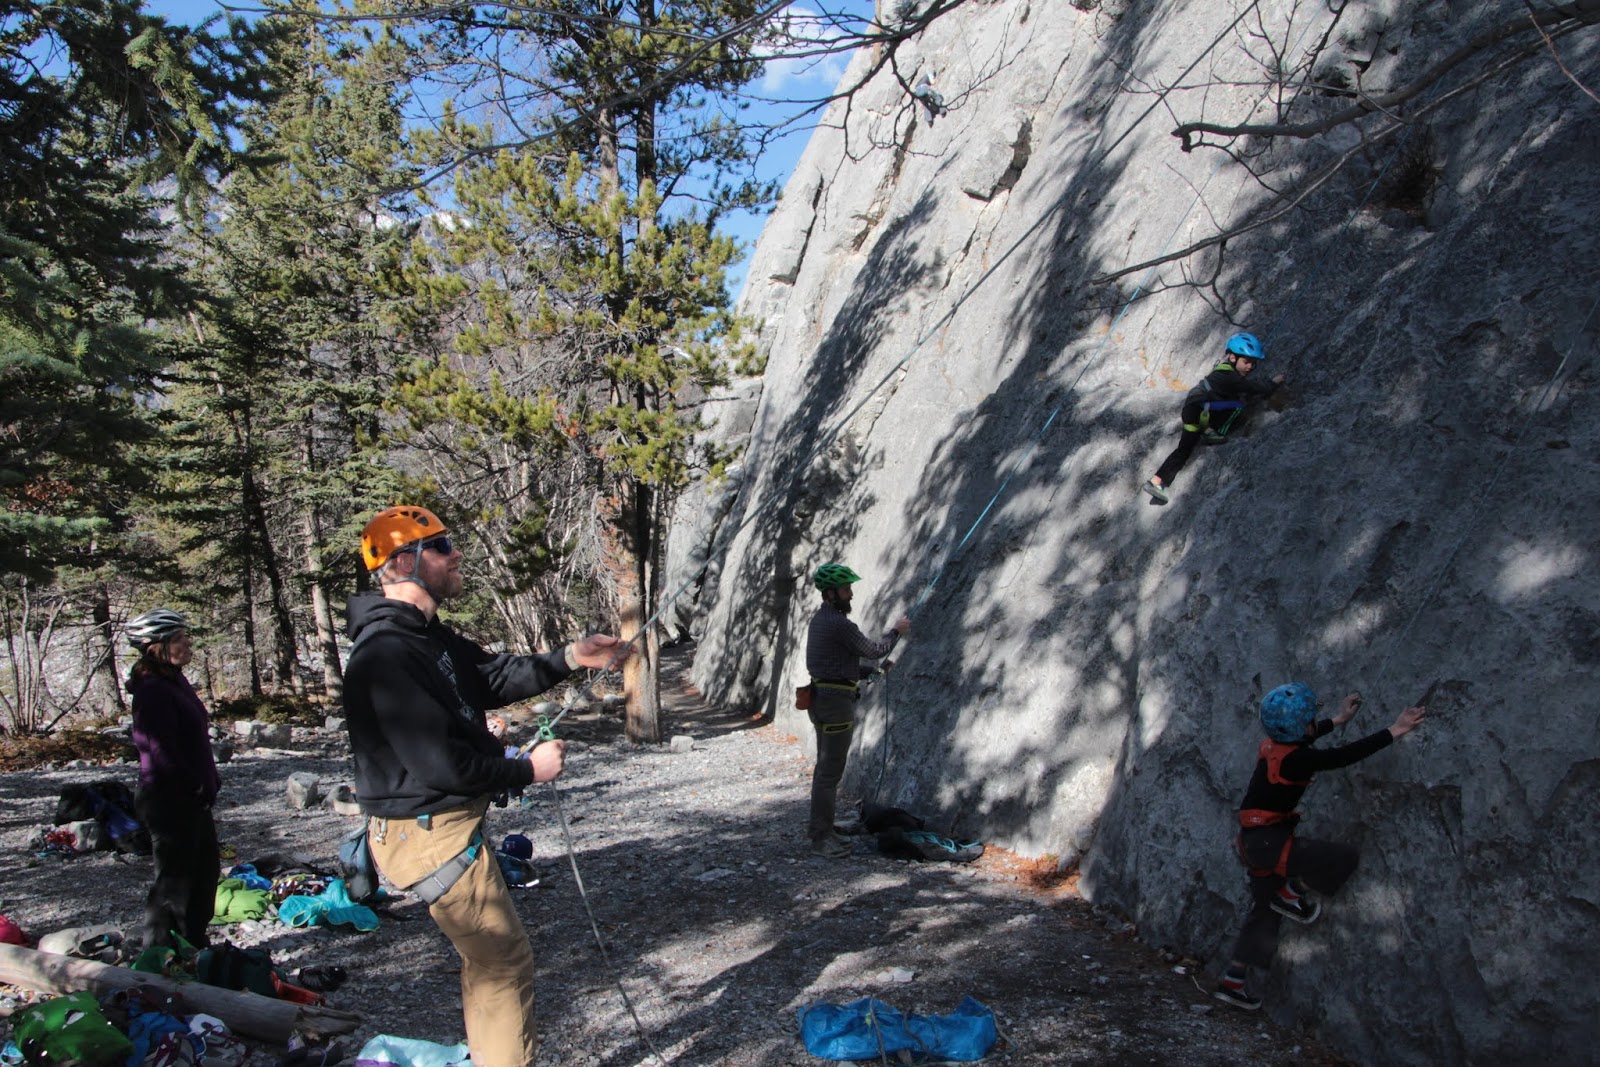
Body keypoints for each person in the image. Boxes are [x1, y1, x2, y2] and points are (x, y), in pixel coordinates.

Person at [342, 505, 629, 1067]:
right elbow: (442, 767)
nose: (456, 555)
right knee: (503, 962)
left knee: (491, 961)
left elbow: (492, 677)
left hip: (443, 830)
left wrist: (570, 657)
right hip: (428, 837)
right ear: (405, 561)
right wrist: (529, 769)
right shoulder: (386, 654)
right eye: (441, 545)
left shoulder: (425, 636)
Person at [1214, 682, 1427, 1010]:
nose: (1315, 722)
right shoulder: (1298, 759)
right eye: (1312, 719)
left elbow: (1305, 739)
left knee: (1264, 909)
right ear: (1302, 728)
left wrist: (1339, 719)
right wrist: (1395, 729)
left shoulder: (1275, 747)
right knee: (1343, 858)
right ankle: (1293, 891)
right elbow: (1341, 756)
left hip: (1255, 841)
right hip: (1270, 843)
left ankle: (1233, 981)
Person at [125, 608, 220, 953]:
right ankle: (160, 954)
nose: (188, 643)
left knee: (205, 874)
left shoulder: (173, 681)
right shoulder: (152, 691)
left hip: (192, 798)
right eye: (180, 638)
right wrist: (193, 783)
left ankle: (192, 945)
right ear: (157, 647)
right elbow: (157, 749)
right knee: (174, 884)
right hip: (169, 798)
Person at [803, 563, 910, 859]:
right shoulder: (840, 624)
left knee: (824, 771)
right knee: (829, 774)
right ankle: (821, 837)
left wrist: (874, 674)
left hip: (821, 698)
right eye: (846, 589)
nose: (851, 594)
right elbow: (875, 650)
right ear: (831, 593)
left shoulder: (820, 621)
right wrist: (896, 632)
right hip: (836, 705)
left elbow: (835, 665)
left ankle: (821, 829)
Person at [1142, 332, 1286, 505]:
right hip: (1200, 411)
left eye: (1253, 364)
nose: (1250, 367)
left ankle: (1156, 481)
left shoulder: (1223, 370)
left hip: (1192, 411)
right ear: (1233, 358)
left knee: (1184, 450)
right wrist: (1274, 382)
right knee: (1239, 406)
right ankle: (1214, 432)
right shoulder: (1231, 377)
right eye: (1246, 362)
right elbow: (1255, 388)